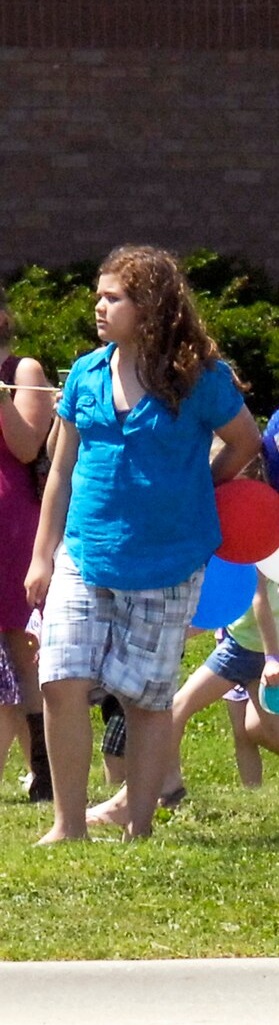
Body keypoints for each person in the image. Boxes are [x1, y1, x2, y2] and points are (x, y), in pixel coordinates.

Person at [26, 245, 263, 842]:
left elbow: (244, 441)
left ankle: (140, 826)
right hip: (84, 552)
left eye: (114, 297)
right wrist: (42, 554)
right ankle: (68, 825)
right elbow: (60, 468)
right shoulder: (84, 373)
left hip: (169, 561)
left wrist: (199, 489)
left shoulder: (201, 378)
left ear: (151, 305)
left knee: (146, 699)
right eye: (99, 295)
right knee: (60, 679)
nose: (99, 306)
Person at [89, 568, 279, 826]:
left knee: (176, 707)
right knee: (275, 731)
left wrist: (271, 658)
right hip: (246, 643)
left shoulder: (250, 549)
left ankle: (160, 787)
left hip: (246, 649)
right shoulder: (237, 548)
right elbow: (228, 607)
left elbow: (260, 599)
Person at [0, 286, 53, 803]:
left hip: (12, 521)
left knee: (22, 642)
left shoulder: (23, 371)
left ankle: (44, 766)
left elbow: (24, 444)